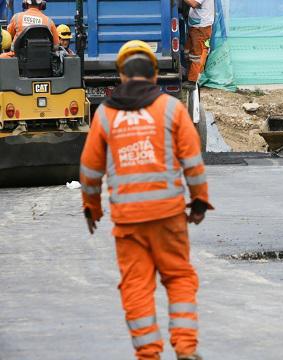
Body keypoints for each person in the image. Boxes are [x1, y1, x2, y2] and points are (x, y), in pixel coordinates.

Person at [80, 40, 212, 360]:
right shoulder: (170, 108)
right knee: (179, 276)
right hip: (168, 216)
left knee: (136, 288)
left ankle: (148, 354)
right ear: (154, 75)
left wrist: (92, 209)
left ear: (121, 76)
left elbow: (90, 168)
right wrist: (198, 201)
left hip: (128, 221)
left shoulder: (106, 115)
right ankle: (185, 348)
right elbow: (192, 160)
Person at [182, 0, 214, 88]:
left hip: (201, 28)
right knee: (189, 53)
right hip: (196, 27)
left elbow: (194, 4)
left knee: (196, 55)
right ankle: (189, 76)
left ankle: (192, 81)